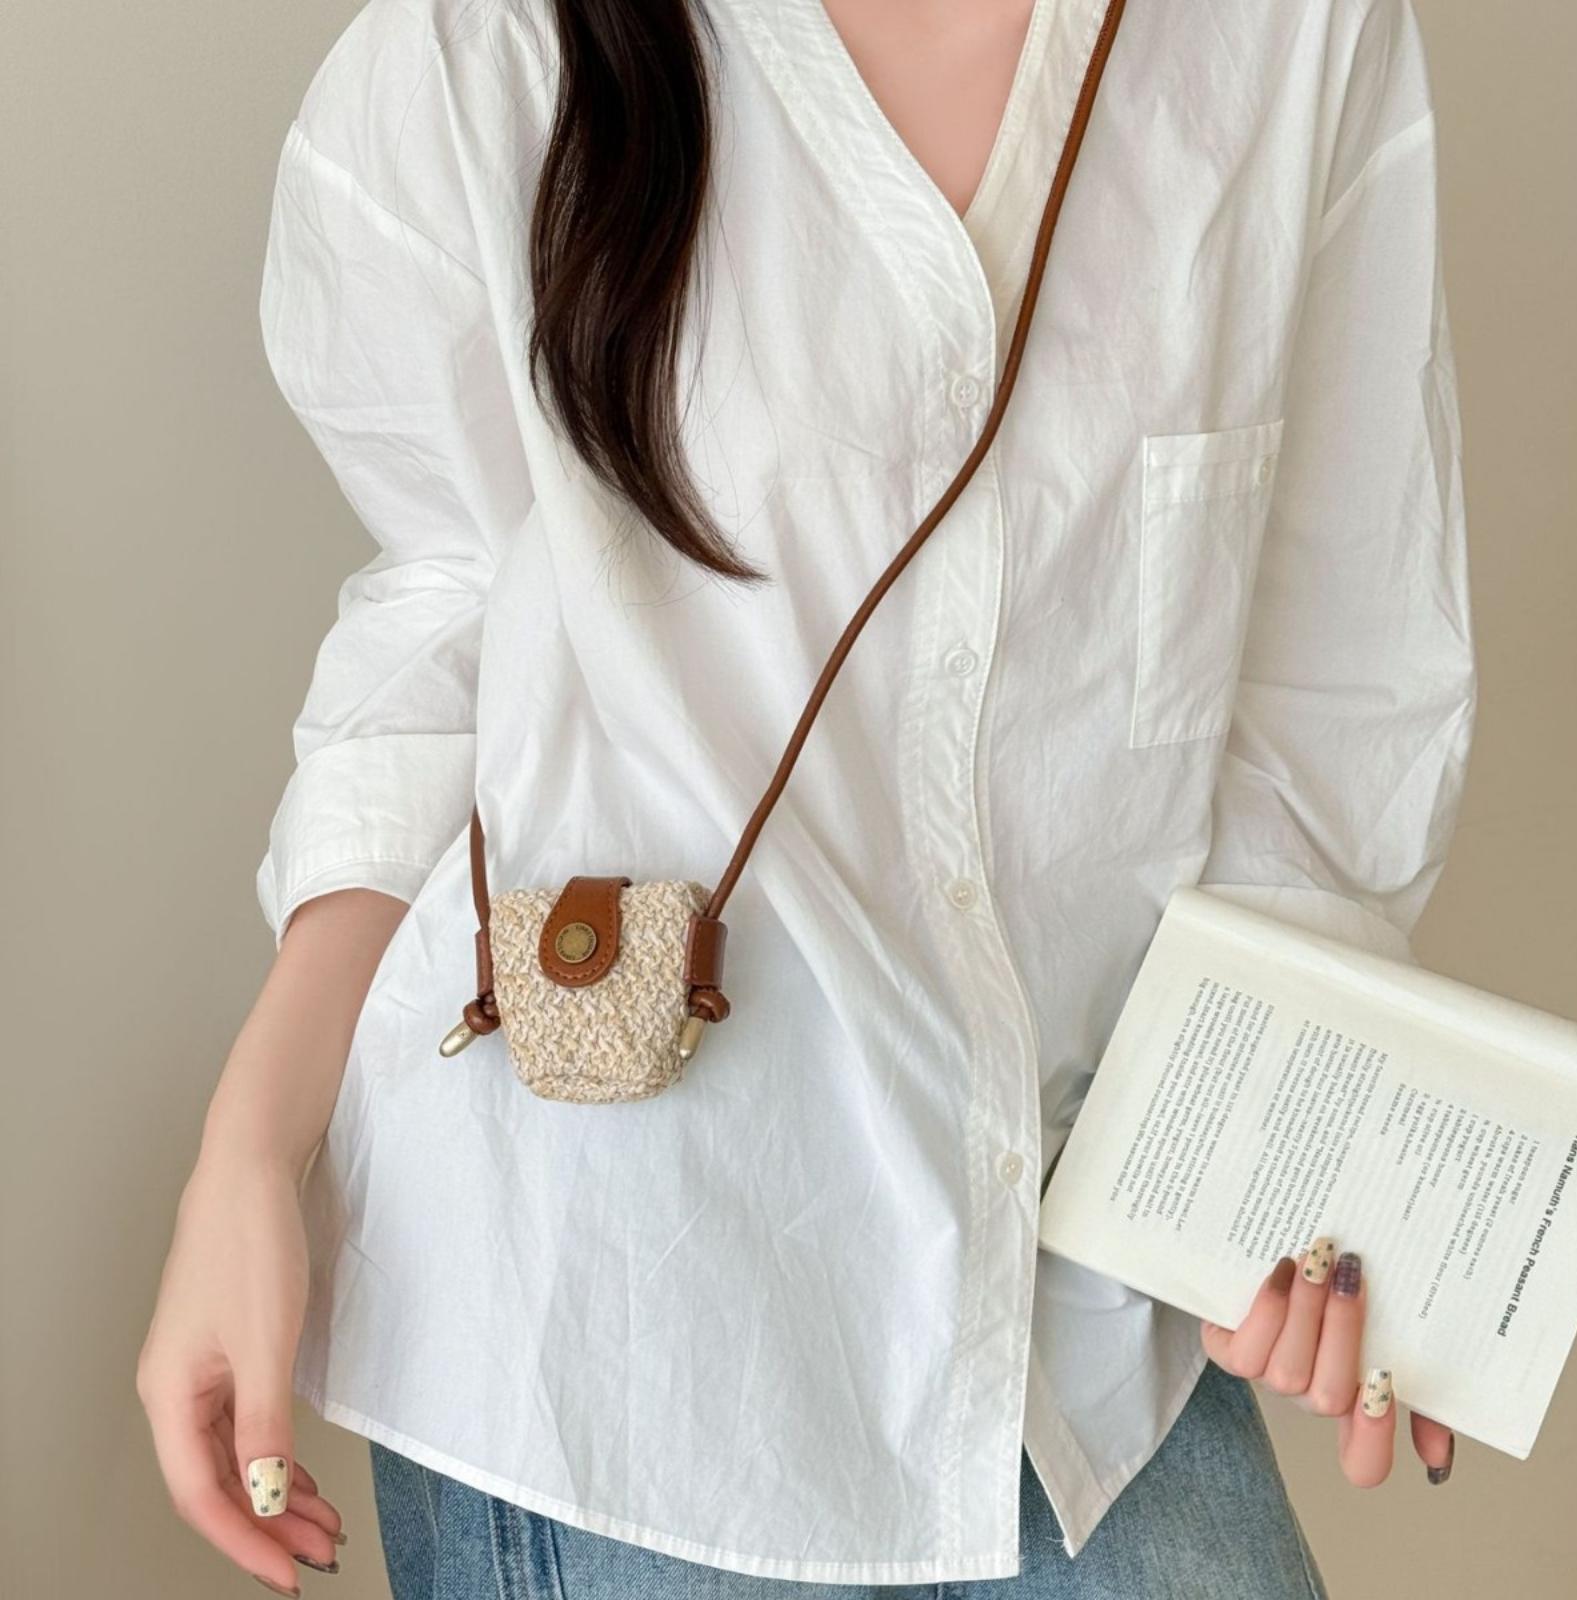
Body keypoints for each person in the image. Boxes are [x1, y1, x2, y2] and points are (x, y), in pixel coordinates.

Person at [136, 0, 1474, 1594]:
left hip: (1075, 1321)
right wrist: (249, 1150)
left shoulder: (1294, 36)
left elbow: (1334, 677)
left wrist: (1294, 1152)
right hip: (606, 1325)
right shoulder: (481, 55)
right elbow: (439, 630)